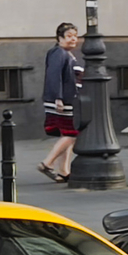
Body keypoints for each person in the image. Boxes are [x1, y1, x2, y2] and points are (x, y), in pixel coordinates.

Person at [40, 23, 82, 181]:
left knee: (68, 134)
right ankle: (47, 163)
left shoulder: (66, 54)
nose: (73, 39)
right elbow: (54, 75)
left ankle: (64, 171)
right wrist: (58, 98)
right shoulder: (59, 53)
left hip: (66, 99)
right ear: (60, 38)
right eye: (69, 35)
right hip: (62, 100)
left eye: (75, 36)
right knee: (71, 134)